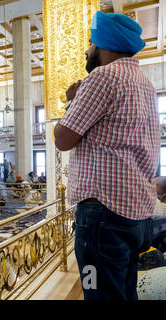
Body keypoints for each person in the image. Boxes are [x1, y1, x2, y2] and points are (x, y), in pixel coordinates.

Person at [54, 11, 160, 300]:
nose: (88, 49)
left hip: (104, 214)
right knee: (123, 293)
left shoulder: (102, 77)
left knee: (100, 294)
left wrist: (70, 101)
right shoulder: (145, 83)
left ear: (103, 43)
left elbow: (63, 139)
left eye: (90, 42)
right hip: (137, 215)